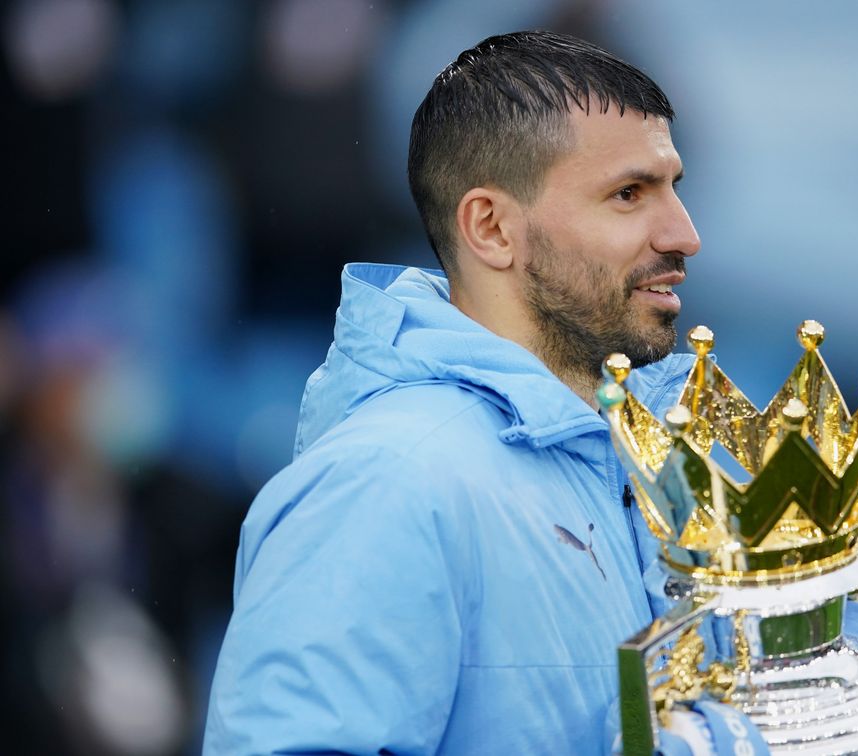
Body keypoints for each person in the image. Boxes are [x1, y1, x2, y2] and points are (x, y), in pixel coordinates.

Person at [204, 31, 704, 754]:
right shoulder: (385, 483)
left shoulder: (654, 463)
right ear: (491, 228)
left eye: (673, 189)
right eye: (628, 194)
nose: (684, 234)